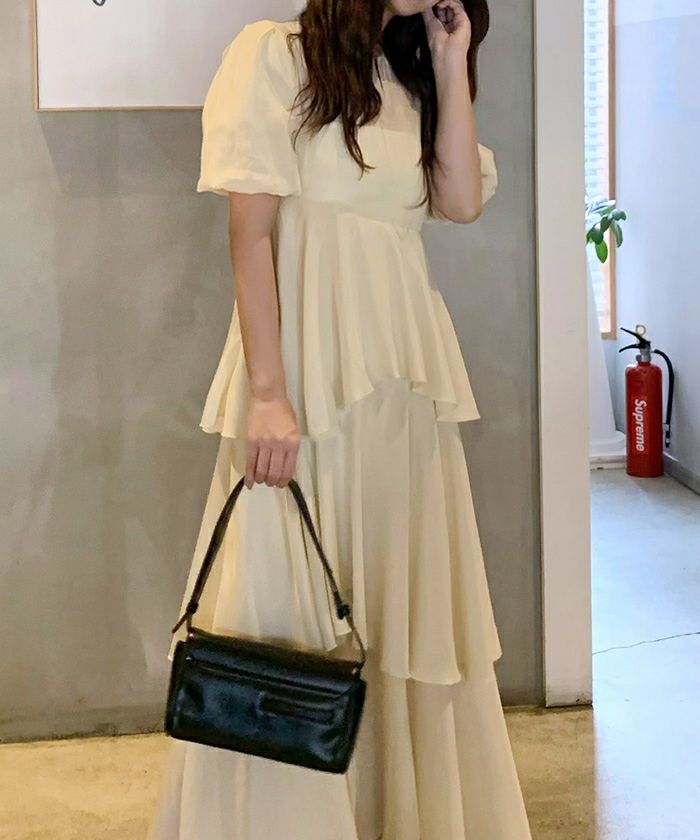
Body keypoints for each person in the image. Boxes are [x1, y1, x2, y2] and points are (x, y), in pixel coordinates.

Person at [147, 2, 532, 838]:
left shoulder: (412, 76)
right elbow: (251, 234)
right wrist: (267, 393)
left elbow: (461, 200)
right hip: (305, 385)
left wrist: (451, 58)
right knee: (285, 617)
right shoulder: (276, 56)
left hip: (400, 393)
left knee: (399, 609)